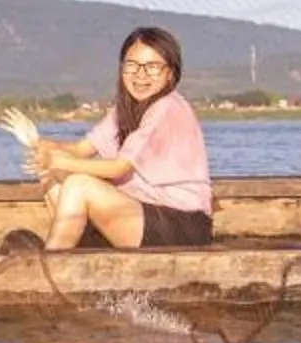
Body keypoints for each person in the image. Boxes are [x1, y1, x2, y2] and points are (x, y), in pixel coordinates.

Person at [23, 26, 214, 250]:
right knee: (53, 175)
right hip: (141, 213)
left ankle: (53, 259)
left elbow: (118, 168)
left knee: (79, 183)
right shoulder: (123, 110)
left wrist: (59, 160)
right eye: (132, 65)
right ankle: (75, 251)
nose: (140, 75)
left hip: (182, 225)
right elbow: (80, 150)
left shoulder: (167, 107)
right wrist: (43, 145)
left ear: (171, 73)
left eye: (152, 67)